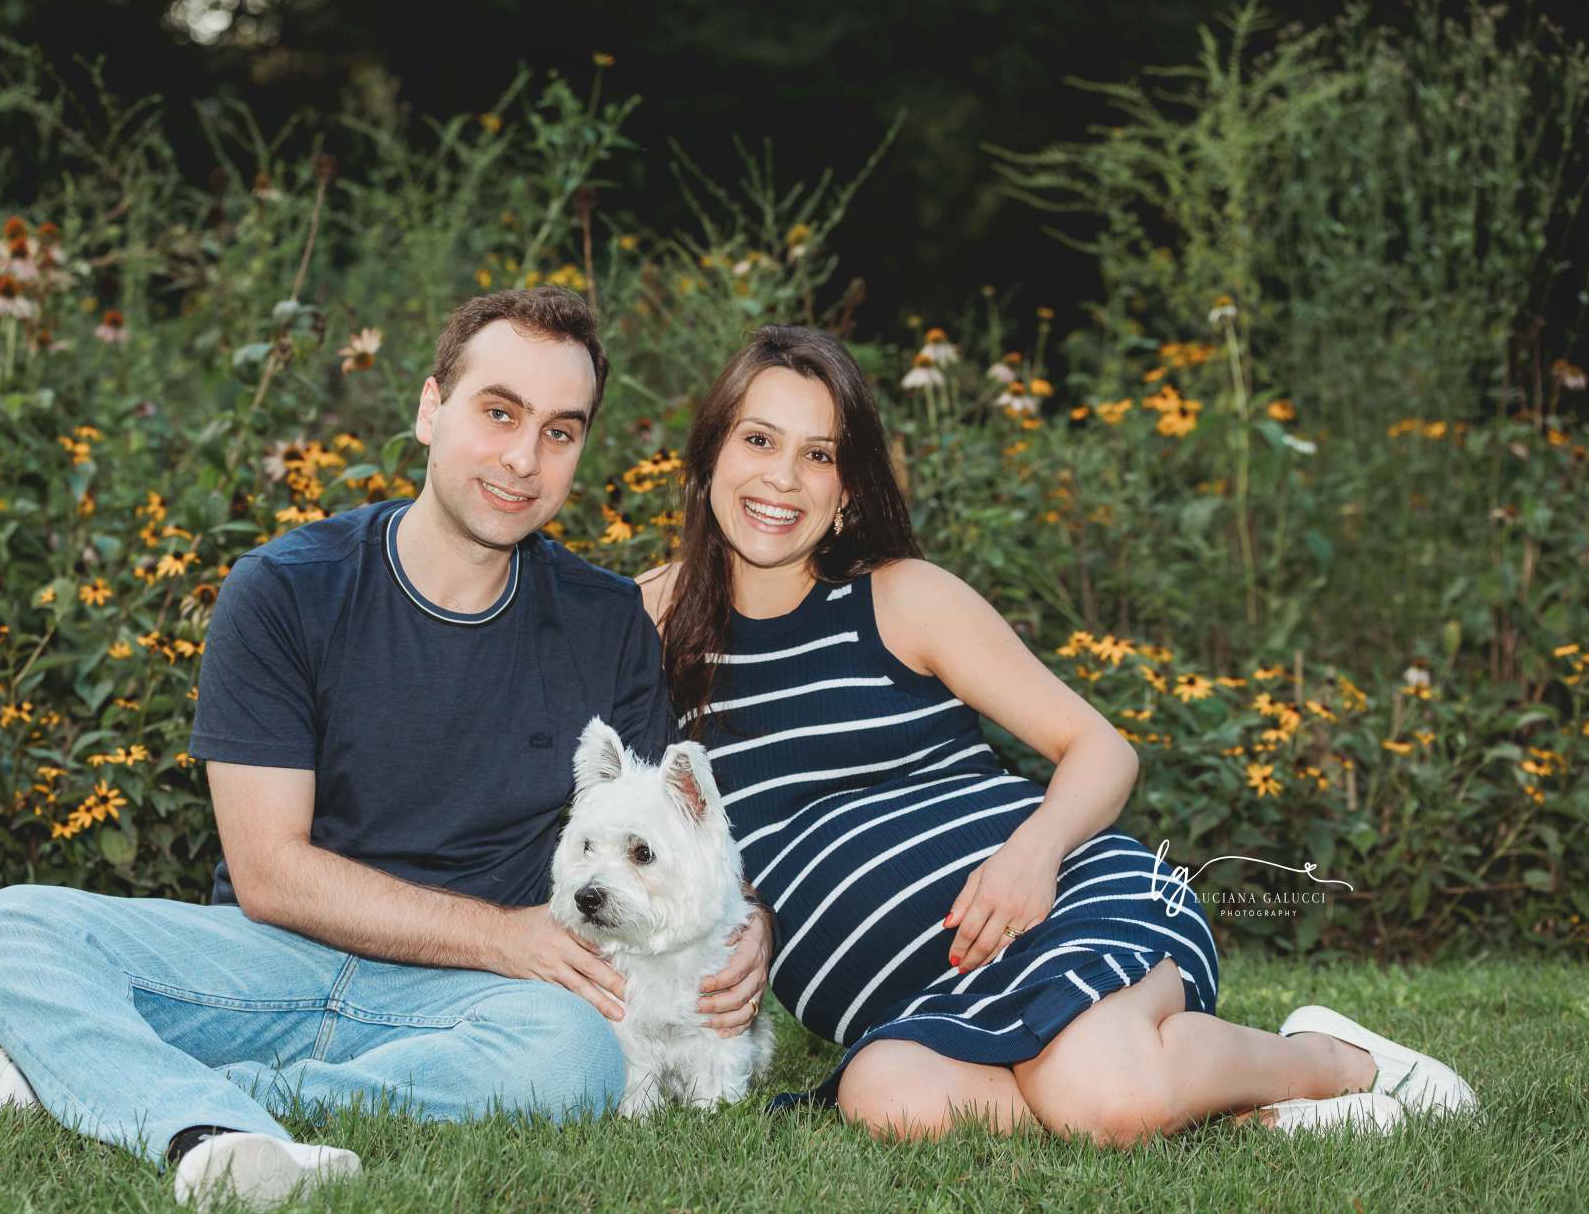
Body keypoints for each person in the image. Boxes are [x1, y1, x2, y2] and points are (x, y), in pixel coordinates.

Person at [0, 288, 773, 1209]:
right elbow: (268, 873)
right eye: (499, 413)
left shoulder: (604, 620)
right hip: (272, 957)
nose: (523, 458)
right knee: (9, 929)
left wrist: (751, 927)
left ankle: (162, 1092)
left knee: (574, 1058)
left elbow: (662, 839)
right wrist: (503, 934)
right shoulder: (284, 590)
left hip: (479, 997)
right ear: (430, 409)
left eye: (560, 431)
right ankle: (193, 1111)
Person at [633, 324, 1478, 1144]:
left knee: (1099, 1092)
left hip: (1064, 902)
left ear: (848, 487)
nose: (783, 478)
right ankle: (1225, 1112)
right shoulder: (644, 625)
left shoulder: (900, 597)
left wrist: (1032, 856)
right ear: (710, 452)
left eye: (818, 454)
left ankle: (1333, 1059)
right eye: (758, 440)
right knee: (887, 1098)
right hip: (918, 1003)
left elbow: (1103, 749)